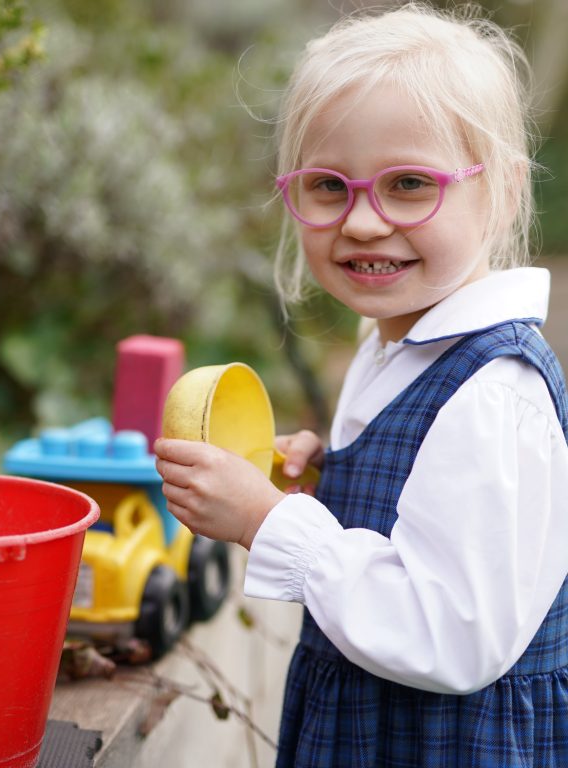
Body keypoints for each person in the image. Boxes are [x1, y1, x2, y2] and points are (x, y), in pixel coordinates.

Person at [154, 3, 568, 766]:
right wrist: (330, 480)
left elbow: (454, 635)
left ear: (504, 191)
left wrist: (268, 524)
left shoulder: (494, 393)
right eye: (328, 186)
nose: (365, 222)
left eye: (409, 184)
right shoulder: (392, 348)